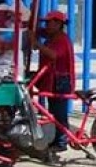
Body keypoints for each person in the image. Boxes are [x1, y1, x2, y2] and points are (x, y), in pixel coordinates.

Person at [31, 11, 75, 152]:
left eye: (50, 22)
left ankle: (62, 143)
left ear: (58, 24)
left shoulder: (62, 39)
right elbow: (37, 31)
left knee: (59, 113)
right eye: (46, 22)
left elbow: (53, 55)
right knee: (54, 111)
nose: (47, 25)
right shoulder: (52, 35)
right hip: (52, 78)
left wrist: (36, 44)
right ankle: (57, 139)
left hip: (60, 80)